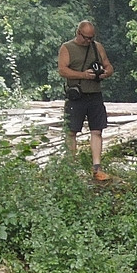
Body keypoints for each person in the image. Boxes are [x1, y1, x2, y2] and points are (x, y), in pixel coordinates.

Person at [58, 20, 114, 181]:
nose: (89, 41)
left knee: (97, 130)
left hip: (95, 95)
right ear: (78, 33)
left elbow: (109, 66)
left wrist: (105, 73)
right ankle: (71, 167)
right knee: (71, 131)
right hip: (77, 96)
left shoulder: (97, 47)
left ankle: (97, 167)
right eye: (86, 38)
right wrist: (83, 75)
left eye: (91, 38)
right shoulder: (67, 48)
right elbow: (62, 70)